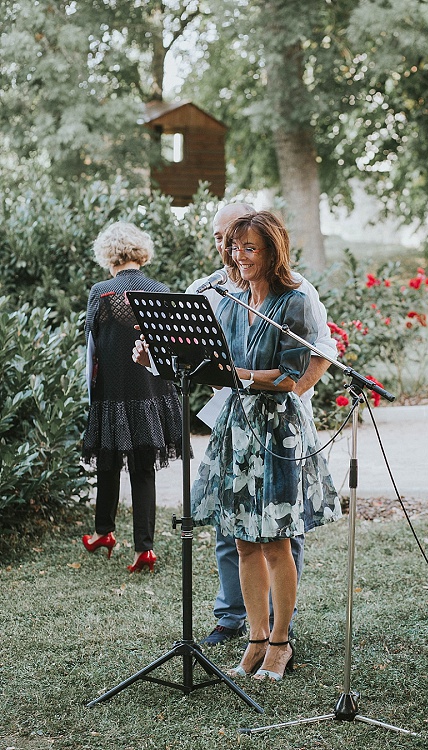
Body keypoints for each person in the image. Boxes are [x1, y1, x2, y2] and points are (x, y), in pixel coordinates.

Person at [188, 210, 341, 681]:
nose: (238, 256)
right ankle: (254, 639)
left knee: (276, 542)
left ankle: (281, 642)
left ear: (272, 251)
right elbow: (212, 358)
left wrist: (244, 376)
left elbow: (294, 377)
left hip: (277, 427)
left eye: (249, 248)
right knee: (243, 540)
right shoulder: (229, 299)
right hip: (236, 424)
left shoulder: (292, 300)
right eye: (234, 247)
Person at [81, 222, 184, 573]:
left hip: (113, 393)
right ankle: (145, 550)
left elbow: (91, 345)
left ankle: (104, 532)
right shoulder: (161, 290)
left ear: (108, 255)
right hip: (152, 393)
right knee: (144, 469)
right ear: (142, 251)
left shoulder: (102, 292)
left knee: (107, 463)